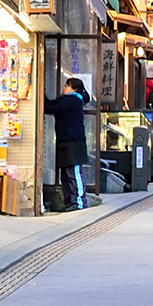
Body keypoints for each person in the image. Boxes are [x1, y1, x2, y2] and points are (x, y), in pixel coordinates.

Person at [46, 78, 90, 211]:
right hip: (65, 139)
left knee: (74, 172)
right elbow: (51, 105)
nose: (64, 87)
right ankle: (69, 202)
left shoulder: (74, 100)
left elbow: (53, 108)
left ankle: (79, 202)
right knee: (65, 174)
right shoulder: (65, 99)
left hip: (74, 141)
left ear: (74, 89)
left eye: (67, 86)